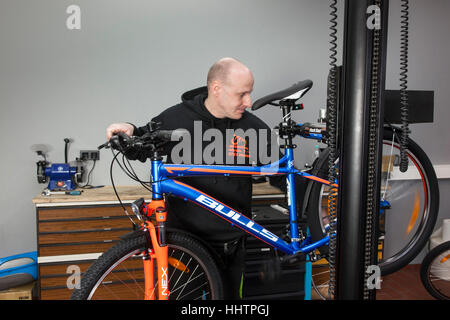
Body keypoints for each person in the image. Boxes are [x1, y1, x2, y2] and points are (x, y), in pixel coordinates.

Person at [106, 57, 283, 299]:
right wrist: (128, 129)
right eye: (242, 94)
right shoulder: (175, 119)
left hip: (231, 244)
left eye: (249, 93)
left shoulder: (254, 129)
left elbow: (282, 174)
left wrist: (319, 212)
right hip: (183, 244)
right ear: (217, 89)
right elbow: (140, 145)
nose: (249, 102)